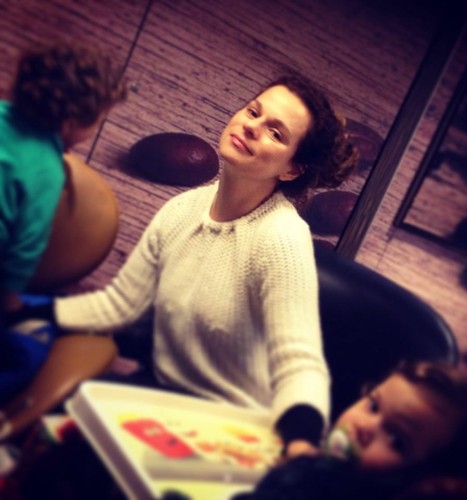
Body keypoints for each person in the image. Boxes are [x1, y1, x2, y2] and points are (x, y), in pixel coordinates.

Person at [7, 72, 358, 457]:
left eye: (275, 133)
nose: (252, 127)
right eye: (253, 111)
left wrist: (301, 443)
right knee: (46, 448)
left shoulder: (282, 237)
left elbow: (299, 360)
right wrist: (27, 312)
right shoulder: (181, 209)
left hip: (237, 427)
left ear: (291, 169)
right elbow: (120, 306)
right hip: (163, 399)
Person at [232, 338, 467, 499]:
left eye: (396, 439)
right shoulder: (327, 464)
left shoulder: (334, 486)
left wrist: (298, 473)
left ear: (421, 477)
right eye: (373, 406)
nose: (364, 427)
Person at [0, 41, 127, 318]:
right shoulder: (47, 171)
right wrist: (10, 305)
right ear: (68, 125)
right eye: (98, 121)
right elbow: (26, 245)